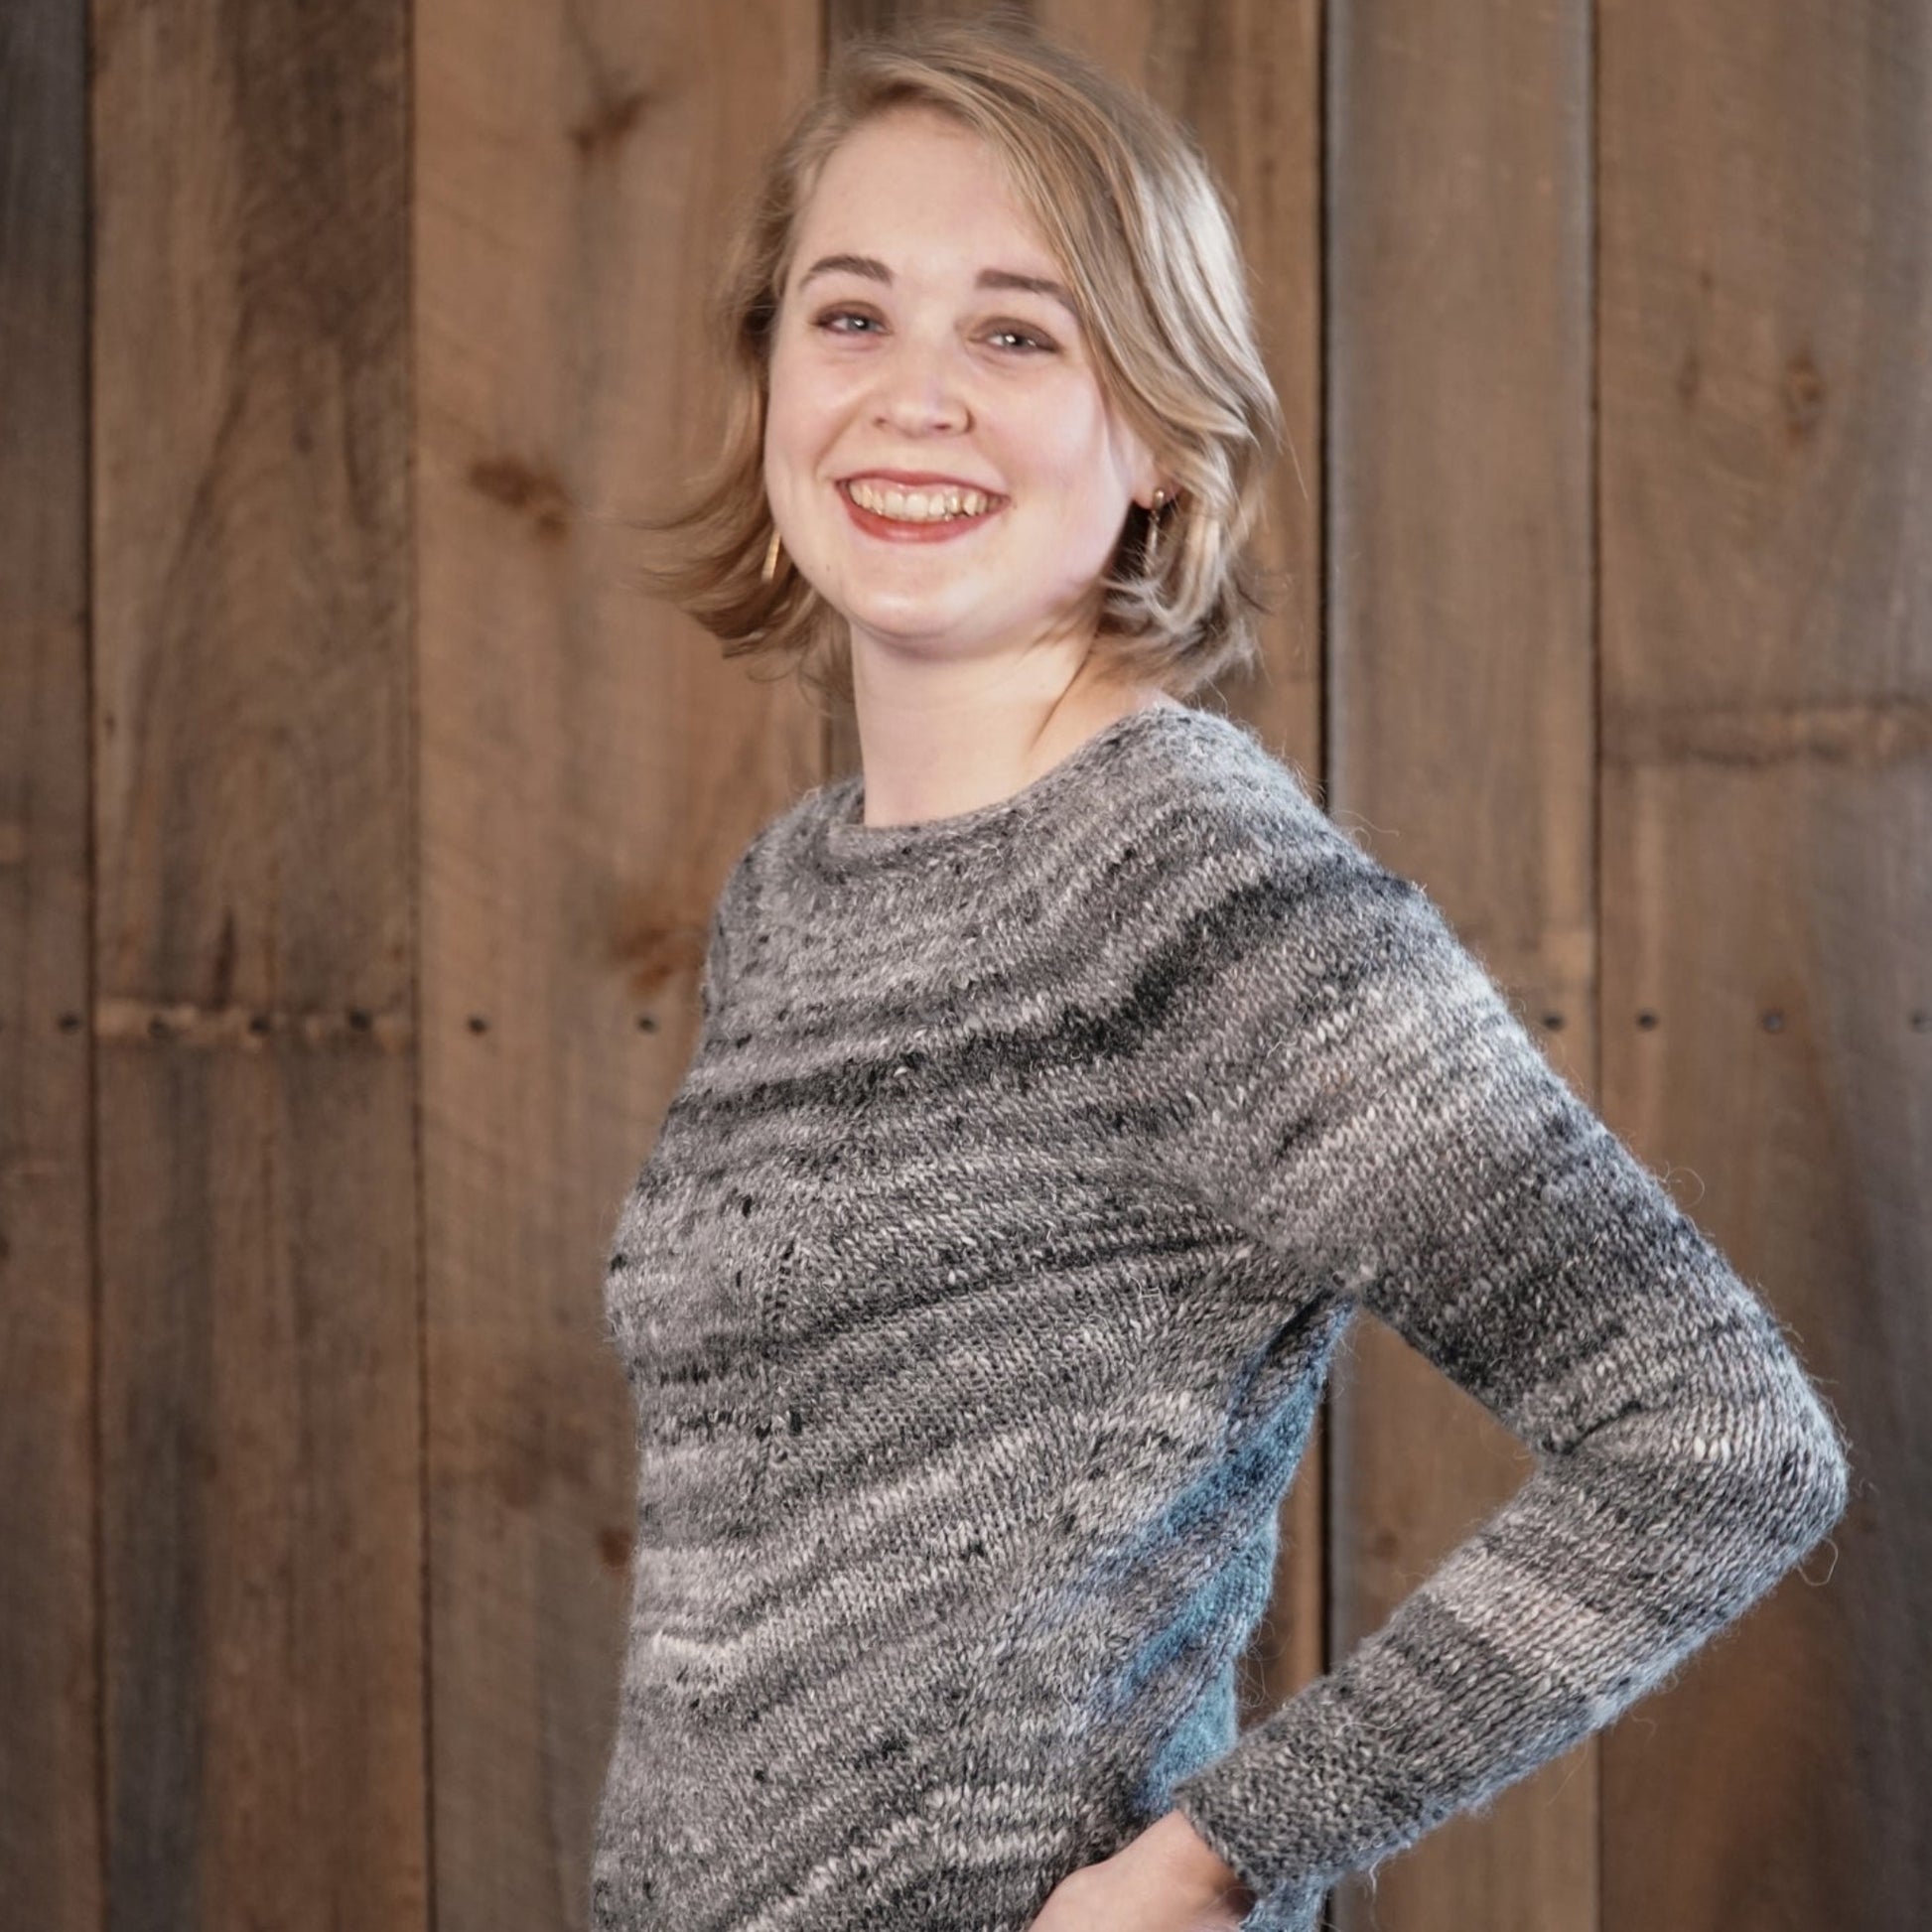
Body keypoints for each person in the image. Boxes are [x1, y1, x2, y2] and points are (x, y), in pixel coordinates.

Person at [592, 18, 1852, 1932]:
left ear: (1166, 436)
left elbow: (1714, 1438)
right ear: (769, 370)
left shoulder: (1205, 894)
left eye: (1017, 332)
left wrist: (1201, 1866)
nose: (910, 395)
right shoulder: (794, 891)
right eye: (849, 316)